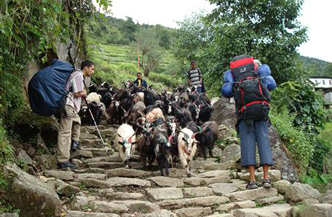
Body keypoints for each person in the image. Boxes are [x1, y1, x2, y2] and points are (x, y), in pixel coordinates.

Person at [222, 57, 277, 189]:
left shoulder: (234, 75)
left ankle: (252, 180)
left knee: (247, 144)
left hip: (244, 114)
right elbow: (271, 86)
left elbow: (226, 92)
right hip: (261, 112)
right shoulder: (258, 71)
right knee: (264, 142)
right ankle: (266, 178)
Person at [56, 60, 95, 170]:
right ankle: (62, 161)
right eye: (92, 69)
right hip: (68, 106)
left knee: (77, 122)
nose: (93, 71)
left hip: (72, 108)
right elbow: (78, 93)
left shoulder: (78, 75)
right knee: (65, 132)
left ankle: (74, 143)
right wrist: (84, 93)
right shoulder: (78, 75)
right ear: (86, 68)